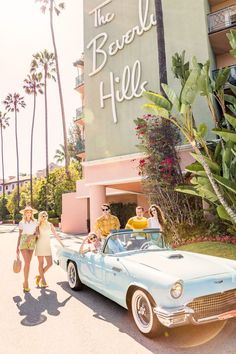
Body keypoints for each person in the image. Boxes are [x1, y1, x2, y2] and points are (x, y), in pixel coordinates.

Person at [35, 211, 64, 288]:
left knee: (50, 263)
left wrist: (62, 244)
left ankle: (39, 276)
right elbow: (36, 235)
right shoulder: (38, 225)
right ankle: (43, 281)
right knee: (41, 263)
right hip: (40, 245)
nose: (44, 217)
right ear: (40, 217)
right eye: (43, 216)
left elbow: (56, 235)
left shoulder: (50, 225)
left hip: (47, 246)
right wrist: (35, 234)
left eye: (46, 216)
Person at [16, 206, 38, 292]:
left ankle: (25, 281)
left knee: (28, 263)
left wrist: (32, 236)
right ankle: (26, 282)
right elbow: (20, 235)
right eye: (27, 212)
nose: (28, 213)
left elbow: (37, 233)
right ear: (24, 213)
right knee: (27, 262)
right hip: (23, 241)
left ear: (32, 213)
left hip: (32, 242)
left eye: (30, 212)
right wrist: (17, 247)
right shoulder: (21, 223)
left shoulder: (35, 222)